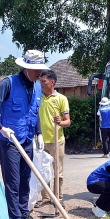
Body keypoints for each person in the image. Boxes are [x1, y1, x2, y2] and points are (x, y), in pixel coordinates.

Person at [0, 50, 47, 219]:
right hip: (10, 141)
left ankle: (25, 214)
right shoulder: (9, 83)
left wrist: (39, 134)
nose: (39, 74)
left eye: (40, 70)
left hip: (27, 139)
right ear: (25, 68)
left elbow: (34, 113)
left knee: (25, 180)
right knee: (13, 182)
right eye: (35, 70)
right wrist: (1, 127)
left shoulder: (37, 87)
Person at [36, 70, 70, 207]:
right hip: (40, 141)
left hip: (57, 140)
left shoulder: (61, 99)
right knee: (43, 171)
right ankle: (45, 198)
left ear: (52, 82)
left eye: (43, 81)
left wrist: (60, 122)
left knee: (58, 171)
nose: (41, 84)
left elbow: (68, 121)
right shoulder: (38, 97)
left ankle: (58, 197)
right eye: (40, 81)